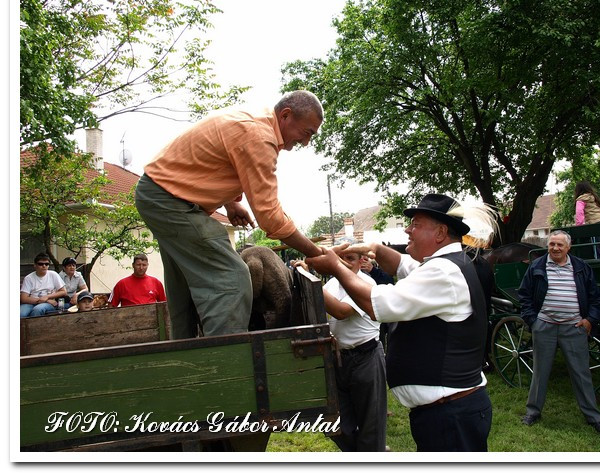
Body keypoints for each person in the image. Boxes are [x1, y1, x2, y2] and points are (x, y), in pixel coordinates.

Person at [305, 193, 495, 452]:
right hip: (447, 413)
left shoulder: (443, 272)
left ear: (440, 233)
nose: (408, 229)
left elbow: (375, 303)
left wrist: (335, 267)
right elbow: (403, 265)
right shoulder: (445, 264)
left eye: (416, 224)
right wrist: (374, 248)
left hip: (450, 415)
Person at [134, 90, 325, 338]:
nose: (306, 142)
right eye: (307, 133)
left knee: (182, 284)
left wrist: (231, 203)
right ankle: (227, 364)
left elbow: (214, 164)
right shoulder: (259, 137)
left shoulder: (254, 120)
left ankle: (182, 357)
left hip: (158, 195)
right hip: (169, 202)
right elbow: (270, 217)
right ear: (286, 115)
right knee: (232, 279)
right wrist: (315, 252)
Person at [518, 230, 600, 434]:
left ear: (568, 247)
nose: (555, 248)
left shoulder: (581, 267)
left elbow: (596, 297)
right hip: (544, 326)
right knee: (540, 372)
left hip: (574, 327)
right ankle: (533, 412)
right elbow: (524, 296)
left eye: (560, 245)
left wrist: (589, 320)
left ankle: (593, 417)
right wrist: (533, 321)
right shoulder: (537, 267)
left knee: (581, 373)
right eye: (552, 244)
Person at [322, 251, 386, 452]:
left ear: (362, 261)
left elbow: (341, 311)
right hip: (338, 360)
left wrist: (311, 282)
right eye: (341, 257)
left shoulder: (366, 284)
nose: (344, 262)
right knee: (334, 425)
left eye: (350, 258)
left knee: (371, 425)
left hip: (366, 357)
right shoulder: (331, 284)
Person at [20, 253, 66, 317]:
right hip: (31, 303)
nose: (44, 266)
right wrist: (46, 300)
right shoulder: (29, 278)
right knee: (21, 313)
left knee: (38, 310)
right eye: (40, 264)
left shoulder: (53, 275)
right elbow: (23, 298)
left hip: (49, 304)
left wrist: (47, 297)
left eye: (46, 264)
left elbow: (63, 291)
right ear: (35, 265)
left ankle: (35, 327)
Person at [574, 181, 600, 258]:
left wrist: (579, 227)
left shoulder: (580, 200)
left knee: (597, 247)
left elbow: (579, 213)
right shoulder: (594, 198)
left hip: (595, 225)